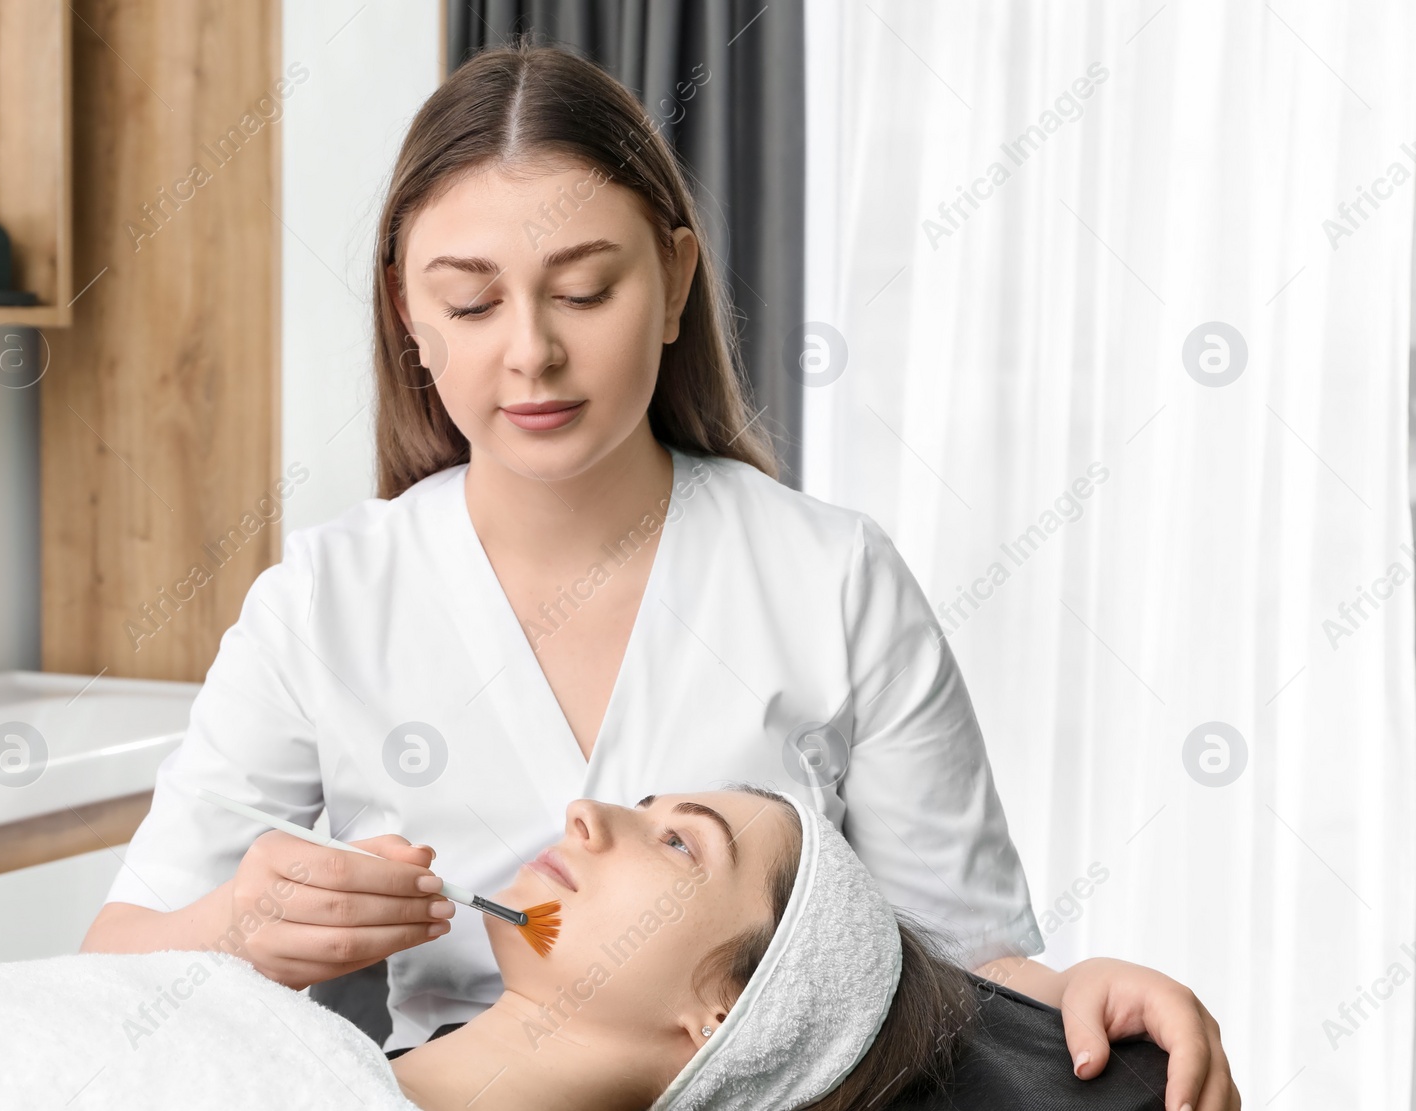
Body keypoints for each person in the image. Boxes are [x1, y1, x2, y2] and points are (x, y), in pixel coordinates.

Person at [82, 39, 1236, 1111]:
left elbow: (962, 971)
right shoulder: (325, 606)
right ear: (406, 314)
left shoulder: (830, 580)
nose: (530, 350)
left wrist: (1085, 999)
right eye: (470, 301)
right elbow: (112, 963)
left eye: (585, 290)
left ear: (676, 279)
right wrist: (239, 924)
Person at [0, 786, 993, 1110]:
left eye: (680, 844)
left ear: (729, 1016)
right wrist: (230, 932)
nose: (589, 813)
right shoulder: (258, 1033)